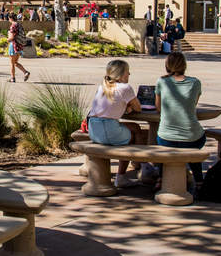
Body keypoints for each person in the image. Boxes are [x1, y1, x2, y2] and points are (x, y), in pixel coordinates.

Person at [87, 60, 145, 188]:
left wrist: (126, 108)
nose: (129, 74)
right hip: (109, 129)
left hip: (94, 129)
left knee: (134, 128)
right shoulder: (125, 88)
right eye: (127, 72)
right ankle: (135, 169)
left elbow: (109, 107)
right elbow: (138, 108)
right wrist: (129, 107)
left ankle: (139, 164)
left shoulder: (102, 87)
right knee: (135, 133)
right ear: (122, 74)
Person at [155, 52, 205, 187]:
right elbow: (192, 105)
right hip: (191, 136)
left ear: (167, 65)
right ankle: (199, 181)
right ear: (184, 65)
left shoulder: (162, 81)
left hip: (166, 137)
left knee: (161, 141)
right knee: (194, 143)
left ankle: (160, 178)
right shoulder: (195, 83)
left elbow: (158, 107)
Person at [7, 13, 30, 83]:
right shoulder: (19, 25)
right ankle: (25, 72)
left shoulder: (13, 26)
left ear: (10, 18)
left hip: (13, 45)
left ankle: (12, 78)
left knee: (12, 63)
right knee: (15, 62)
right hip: (19, 46)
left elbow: (12, 37)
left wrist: (8, 39)